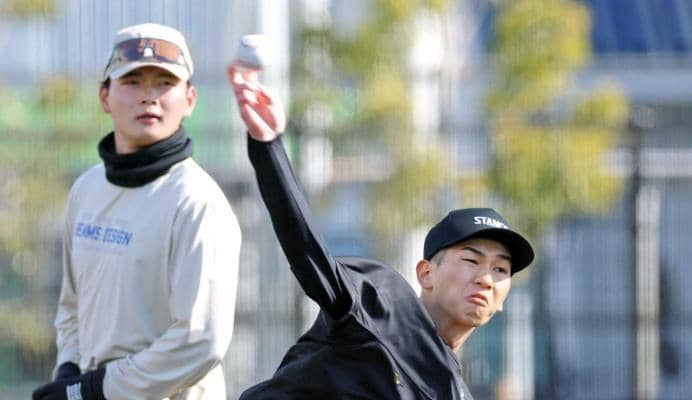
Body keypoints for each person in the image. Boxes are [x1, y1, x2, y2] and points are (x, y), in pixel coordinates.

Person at [228, 65, 535, 400]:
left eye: (500, 269)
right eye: (471, 260)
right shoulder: (383, 303)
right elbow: (308, 255)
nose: (486, 279)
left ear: (502, 301)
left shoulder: (452, 392)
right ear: (426, 273)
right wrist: (269, 147)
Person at [32, 23, 241, 400]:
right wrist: (69, 369)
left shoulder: (196, 202)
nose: (149, 97)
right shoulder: (86, 190)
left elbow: (200, 340)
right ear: (104, 96)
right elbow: (72, 306)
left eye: (164, 83)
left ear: (190, 99)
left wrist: (93, 389)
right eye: (131, 82)